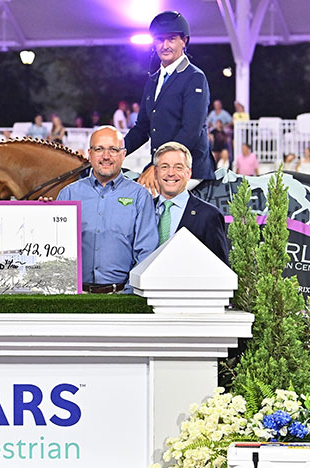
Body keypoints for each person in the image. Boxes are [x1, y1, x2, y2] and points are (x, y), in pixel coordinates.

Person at [56, 126, 157, 294]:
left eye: (113, 149)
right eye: (99, 149)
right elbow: (55, 245)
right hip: (75, 295)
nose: (106, 156)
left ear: (123, 154)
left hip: (122, 295)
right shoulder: (69, 193)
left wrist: (129, 295)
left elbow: (146, 252)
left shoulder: (139, 196)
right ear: (89, 154)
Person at [125, 11, 214, 196]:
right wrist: (115, 152)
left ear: (184, 40)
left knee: (144, 197)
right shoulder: (153, 79)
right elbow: (142, 128)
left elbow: (190, 131)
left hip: (188, 169)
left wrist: (157, 166)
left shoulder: (195, 77)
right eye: (159, 39)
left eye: (171, 39)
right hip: (164, 167)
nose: (165, 45)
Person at [154, 141, 228, 264]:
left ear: (188, 173)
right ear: (156, 173)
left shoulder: (209, 216)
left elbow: (220, 269)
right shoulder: (142, 210)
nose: (171, 173)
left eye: (178, 167)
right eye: (164, 167)